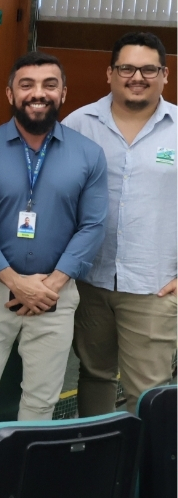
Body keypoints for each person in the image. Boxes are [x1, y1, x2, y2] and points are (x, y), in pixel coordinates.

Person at [0, 51, 108, 454]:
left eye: (49, 85)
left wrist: (52, 283)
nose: (37, 94)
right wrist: (14, 281)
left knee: (41, 398)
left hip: (55, 296)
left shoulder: (87, 154)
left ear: (64, 92)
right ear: (10, 93)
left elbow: (93, 224)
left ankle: (26, 486)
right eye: (27, 85)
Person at [62, 32, 176, 415]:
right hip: (90, 280)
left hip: (154, 285)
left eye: (148, 69)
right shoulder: (79, 124)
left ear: (165, 74)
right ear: (110, 73)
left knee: (148, 392)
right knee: (94, 375)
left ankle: (147, 474)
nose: (137, 77)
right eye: (127, 68)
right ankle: (100, 465)